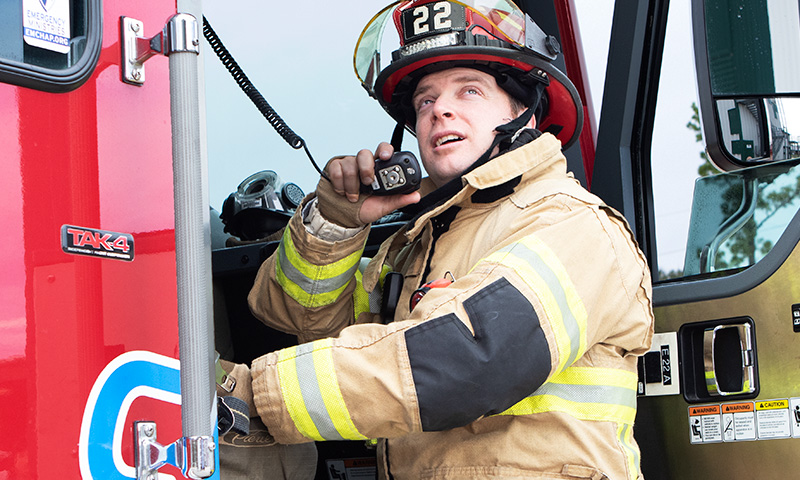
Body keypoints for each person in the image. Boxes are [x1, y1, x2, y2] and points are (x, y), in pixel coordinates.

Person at [221, 1, 654, 479]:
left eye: (469, 91)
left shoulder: (575, 225)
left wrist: (254, 399)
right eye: (425, 101)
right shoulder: (418, 244)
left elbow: (467, 360)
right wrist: (335, 222)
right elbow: (311, 329)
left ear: (526, 115)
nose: (439, 110)